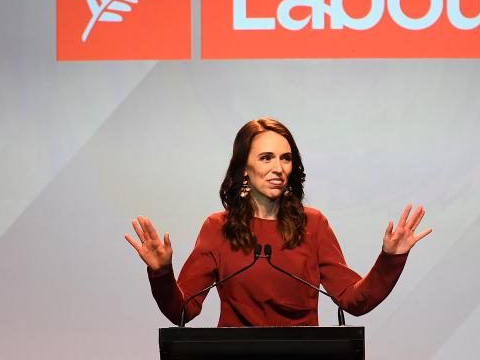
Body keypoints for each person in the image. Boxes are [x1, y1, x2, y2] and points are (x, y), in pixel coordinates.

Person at [125, 118, 432, 327]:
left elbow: (353, 300)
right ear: (244, 168)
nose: (278, 168)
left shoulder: (314, 225)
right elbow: (183, 310)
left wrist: (391, 259)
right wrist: (162, 273)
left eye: (285, 158)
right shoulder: (217, 228)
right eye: (266, 157)